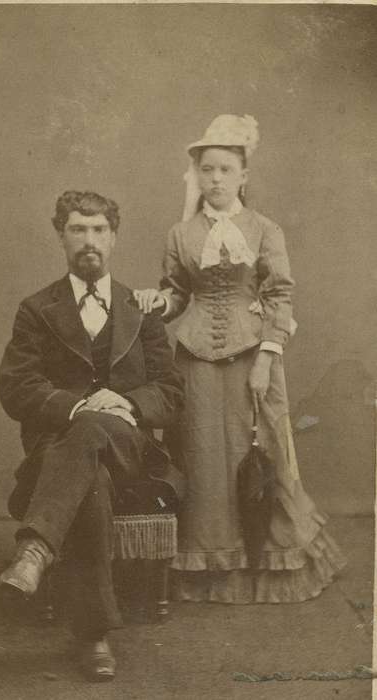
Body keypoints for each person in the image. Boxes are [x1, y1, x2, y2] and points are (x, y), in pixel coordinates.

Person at [134, 115, 346, 604]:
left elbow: (281, 294)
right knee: (203, 458)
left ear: (243, 176)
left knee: (261, 456)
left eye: (226, 170)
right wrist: (155, 301)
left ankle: (266, 561)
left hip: (254, 359)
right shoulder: (180, 234)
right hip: (195, 363)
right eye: (207, 170)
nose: (215, 179)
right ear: (198, 175)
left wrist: (267, 359)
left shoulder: (265, 229)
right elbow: (177, 295)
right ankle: (210, 562)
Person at [0, 190, 184, 680]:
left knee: (98, 435)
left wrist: (127, 404)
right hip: (62, 451)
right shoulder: (36, 309)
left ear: (114, 238)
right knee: (91, 482)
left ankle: (36, 547)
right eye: (78, 229)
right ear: (61, 236)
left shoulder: (140, 308)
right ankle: (94, 637)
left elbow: (171, 390)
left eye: (99, 230)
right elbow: (17, 387)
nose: (89, 241)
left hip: (132, 448)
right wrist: (78, 406)